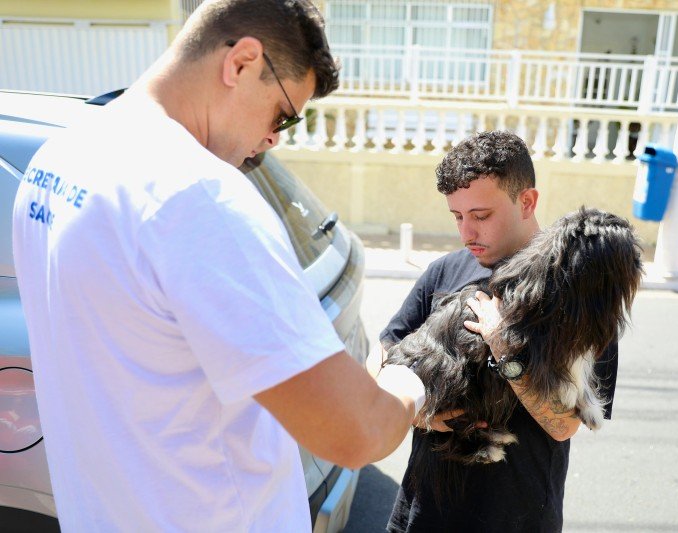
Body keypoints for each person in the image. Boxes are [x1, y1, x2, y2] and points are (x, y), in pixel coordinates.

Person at [12, 1, 424, 531]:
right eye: (283, 114)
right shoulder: (201, 196)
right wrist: (409, 385)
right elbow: (354, 432)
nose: (275, 138)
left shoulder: (58, 158)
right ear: (241, 63)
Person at [372, 130, 619, 532]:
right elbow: (383, 354)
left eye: (481, 216)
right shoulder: (446, 271)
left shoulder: (577, 289)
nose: (466, 233)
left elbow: (564, 425)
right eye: (457, 216)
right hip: (422, 516)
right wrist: (419, 412)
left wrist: (503, 345)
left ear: (527, 201)